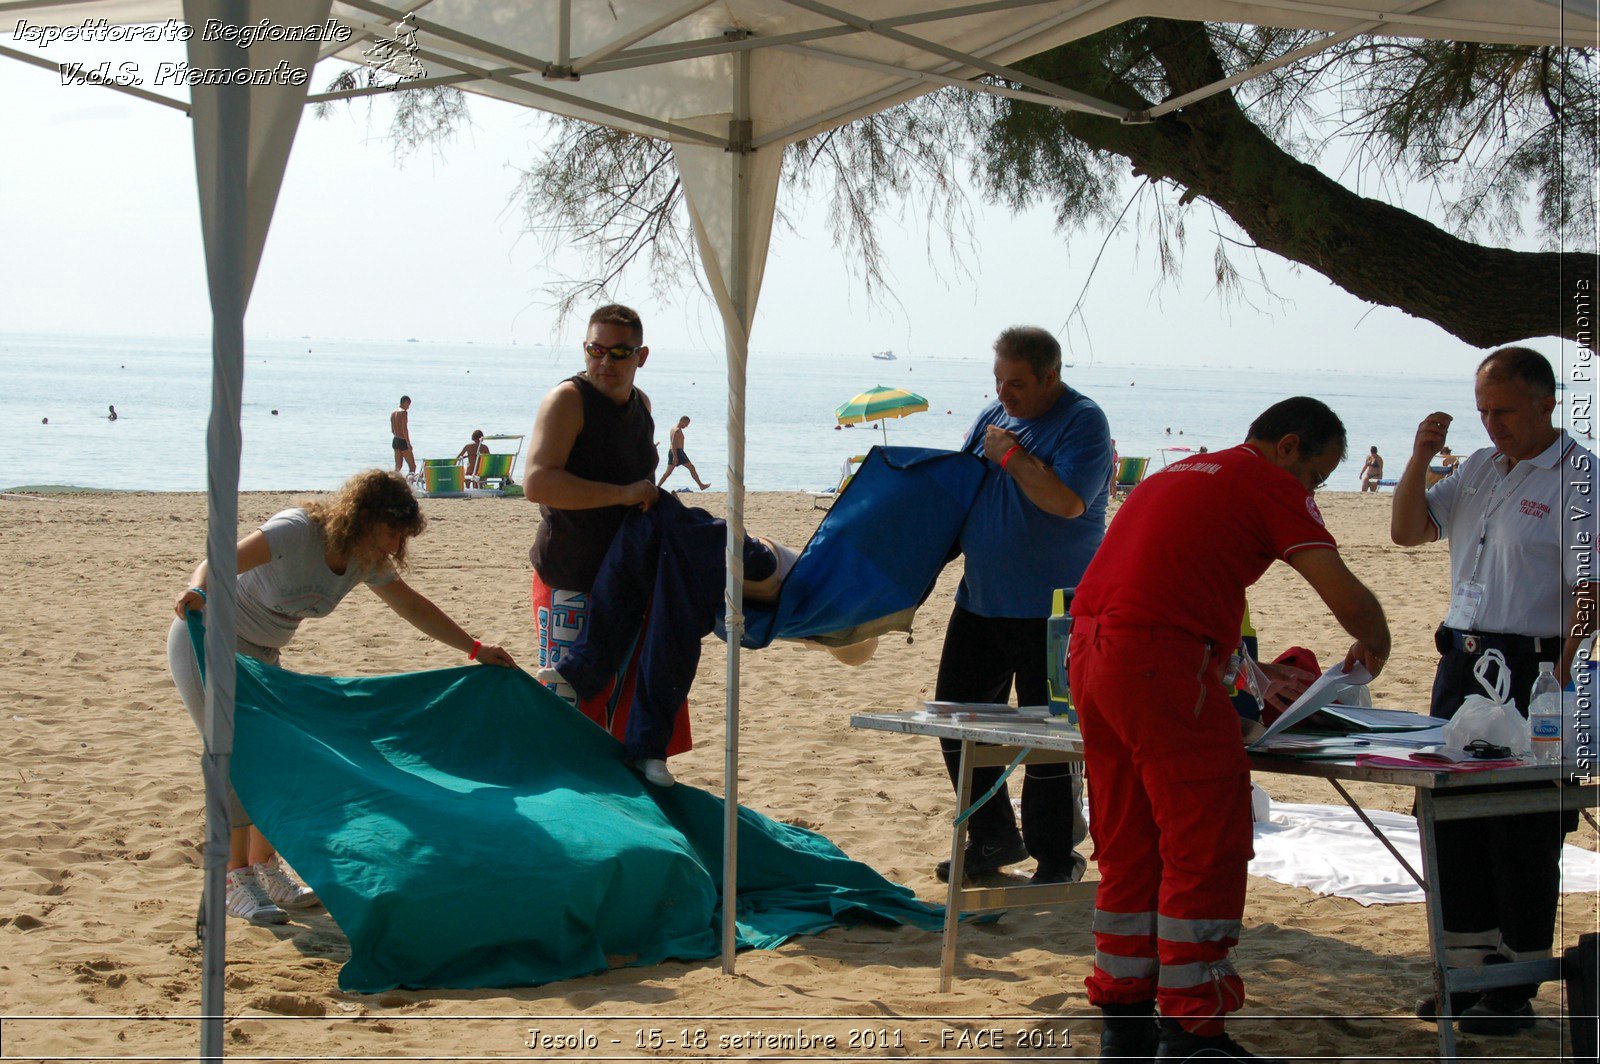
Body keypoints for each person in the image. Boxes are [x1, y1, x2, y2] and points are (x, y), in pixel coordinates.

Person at [1069, 396, 1389, 1062]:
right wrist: (1375, 636)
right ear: (1290, 446)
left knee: (1129, 838)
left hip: (1091, 656)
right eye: (1317, 477)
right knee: (1204, 839)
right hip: (1158, 665)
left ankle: (1123, 1017)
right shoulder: (1268, 481)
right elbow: (1340, 590)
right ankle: (1191, 1029)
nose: (1312, 493)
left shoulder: (1175, 476)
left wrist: (1243, 665)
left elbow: (1163, 585)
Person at [167, 469, 515, 926]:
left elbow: (413, 606)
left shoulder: (365, 558)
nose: (394, 545)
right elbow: (221, 559)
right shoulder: (297, 530)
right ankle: (235, 877)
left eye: (401, 536)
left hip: (261, 659)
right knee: (235, 755)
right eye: (391, 530)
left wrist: (473, 649)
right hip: (207, 641)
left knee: (281, 757)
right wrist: (196, 588)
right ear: (363, 516)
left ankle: (267, 869)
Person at [1391, 346, 1595, 1035]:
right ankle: (1467, 973)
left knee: (1523, 827)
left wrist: (1564, 675)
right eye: (1483, 411)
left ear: (1546, 402)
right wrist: (1420, 457)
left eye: (1503, 410)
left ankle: (1516, 983)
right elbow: (1409, 530)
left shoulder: (1579, 479)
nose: (1492, 425)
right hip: (1464, 660)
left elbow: (1590, 591)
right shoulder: (1477, 468)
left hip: (1534, 664)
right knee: (1452, 820)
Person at [933, 326, 1112, 887]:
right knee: (956, 721)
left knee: (1049, 736)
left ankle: (1055, 853)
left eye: (1016, 384)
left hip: (1055, 608)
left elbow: (1066, 500)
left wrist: (1010, 454)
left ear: (1050, 376)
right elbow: (957, 492)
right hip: (981, 600)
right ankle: (993, 835)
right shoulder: (993, 414)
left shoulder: (1083, 421)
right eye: (998, 381)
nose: (1004, 394)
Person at [524, 304, 680, 781]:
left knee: (621, 705)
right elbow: (536, 483)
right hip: (569, 576)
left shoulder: (642, 407)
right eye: (596, 350)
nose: (605, 363)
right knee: (569, 707)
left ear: (641, 356)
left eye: (619, 352)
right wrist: (621, 495)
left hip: (627, 579)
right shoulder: (568, 400)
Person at [658, 415, 711, 490]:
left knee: (668, 473)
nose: (687, 426)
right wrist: (675, 456)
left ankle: (658, 486)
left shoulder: (674, 428)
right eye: (686, 424)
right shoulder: (677, 430)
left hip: (675, 452)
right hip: (677, 452)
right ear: (682, 421)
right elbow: (673, 443)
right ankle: (701, 485)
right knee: (691, 468)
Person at [390, 396, 415, 477]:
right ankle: (411, 486)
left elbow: (392, 430)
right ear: (405, 402)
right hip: (403, 441)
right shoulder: (403, 412)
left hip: (395, 440)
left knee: (398, 467)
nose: (408, 407)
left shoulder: (393, 413)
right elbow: (404, 428)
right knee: (412, 466)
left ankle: (391, 483)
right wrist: (408, 443)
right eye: (408, 404)